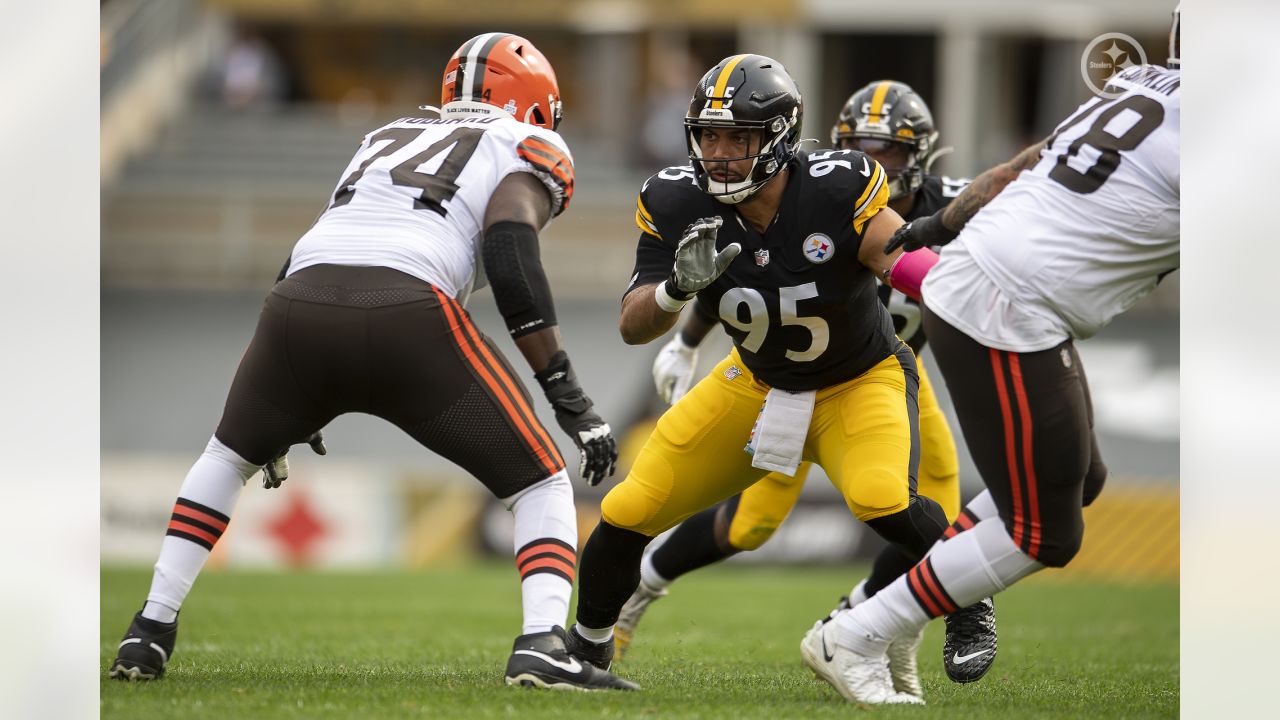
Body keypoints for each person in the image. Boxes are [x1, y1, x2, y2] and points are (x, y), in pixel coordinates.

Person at [108, 32, 634, 692]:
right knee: (540, 483)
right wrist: (566, 393)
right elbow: (508, 244)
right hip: (407, 307)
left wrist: (287, 393)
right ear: (532, 105)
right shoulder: (524, 143)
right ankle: (540, 646)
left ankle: (149, 628)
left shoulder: (388, 134)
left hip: (297, 301)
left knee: (226, 456)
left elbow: (319, 241)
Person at [801, 8, 1180, 705]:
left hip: (1010, 284)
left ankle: (863, 611)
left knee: (1080, 479)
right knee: (1045, 533)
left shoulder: (1145, 88)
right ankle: (854, 634)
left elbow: (1039, 156)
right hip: (1010, 299)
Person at [563, 54, 954, 705]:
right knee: (628, 509)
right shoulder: (674, 196)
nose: (718, 153)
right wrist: (673, 296)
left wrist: (970, 294)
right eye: (708, 135)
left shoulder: (837, 186)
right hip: (756, 381)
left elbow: (906, 261)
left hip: (860, 379)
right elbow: (634, 324)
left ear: (778, 137)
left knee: (889, 501)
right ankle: (589, 647)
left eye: (738, 137)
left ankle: (933, 613)